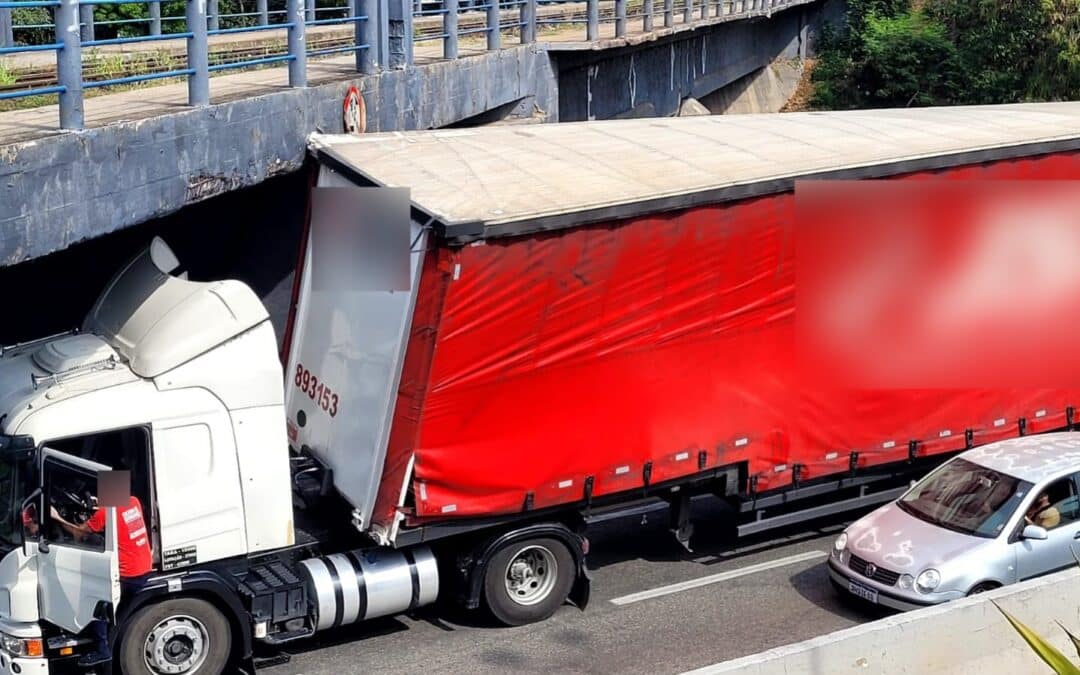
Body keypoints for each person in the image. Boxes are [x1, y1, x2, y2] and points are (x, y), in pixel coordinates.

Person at [51, 493, 153, 668]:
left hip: (127, 575)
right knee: (118, 615)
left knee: (97, 603)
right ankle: (111, 642)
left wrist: (57, 517)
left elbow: (78, 534)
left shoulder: (105, 512)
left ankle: (102, 651)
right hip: (144, 568)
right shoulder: (134, 500)